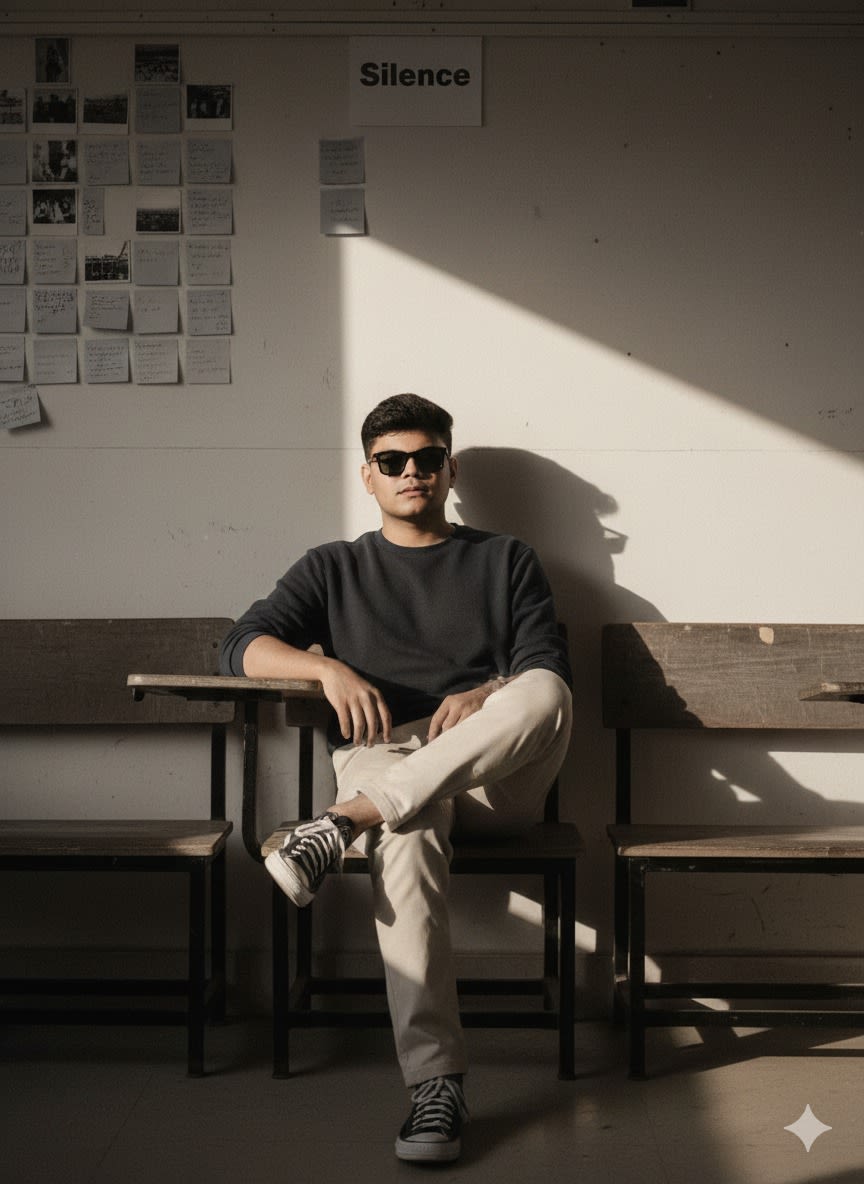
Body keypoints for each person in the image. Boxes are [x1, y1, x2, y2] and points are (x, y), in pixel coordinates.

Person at [219, 393, 572, 1163]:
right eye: (392, 461)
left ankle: (343, 821)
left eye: (426, 457)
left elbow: (545, 666)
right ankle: (435, 1087)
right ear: (368, 475)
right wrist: (325, 668)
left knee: (546, 692)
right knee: (405, 831)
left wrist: (489, 692)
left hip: (490, 774)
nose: (411, 471)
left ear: (449, 468)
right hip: (384, 756)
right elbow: (239, 646)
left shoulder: (505, 558)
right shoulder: (333, 567)